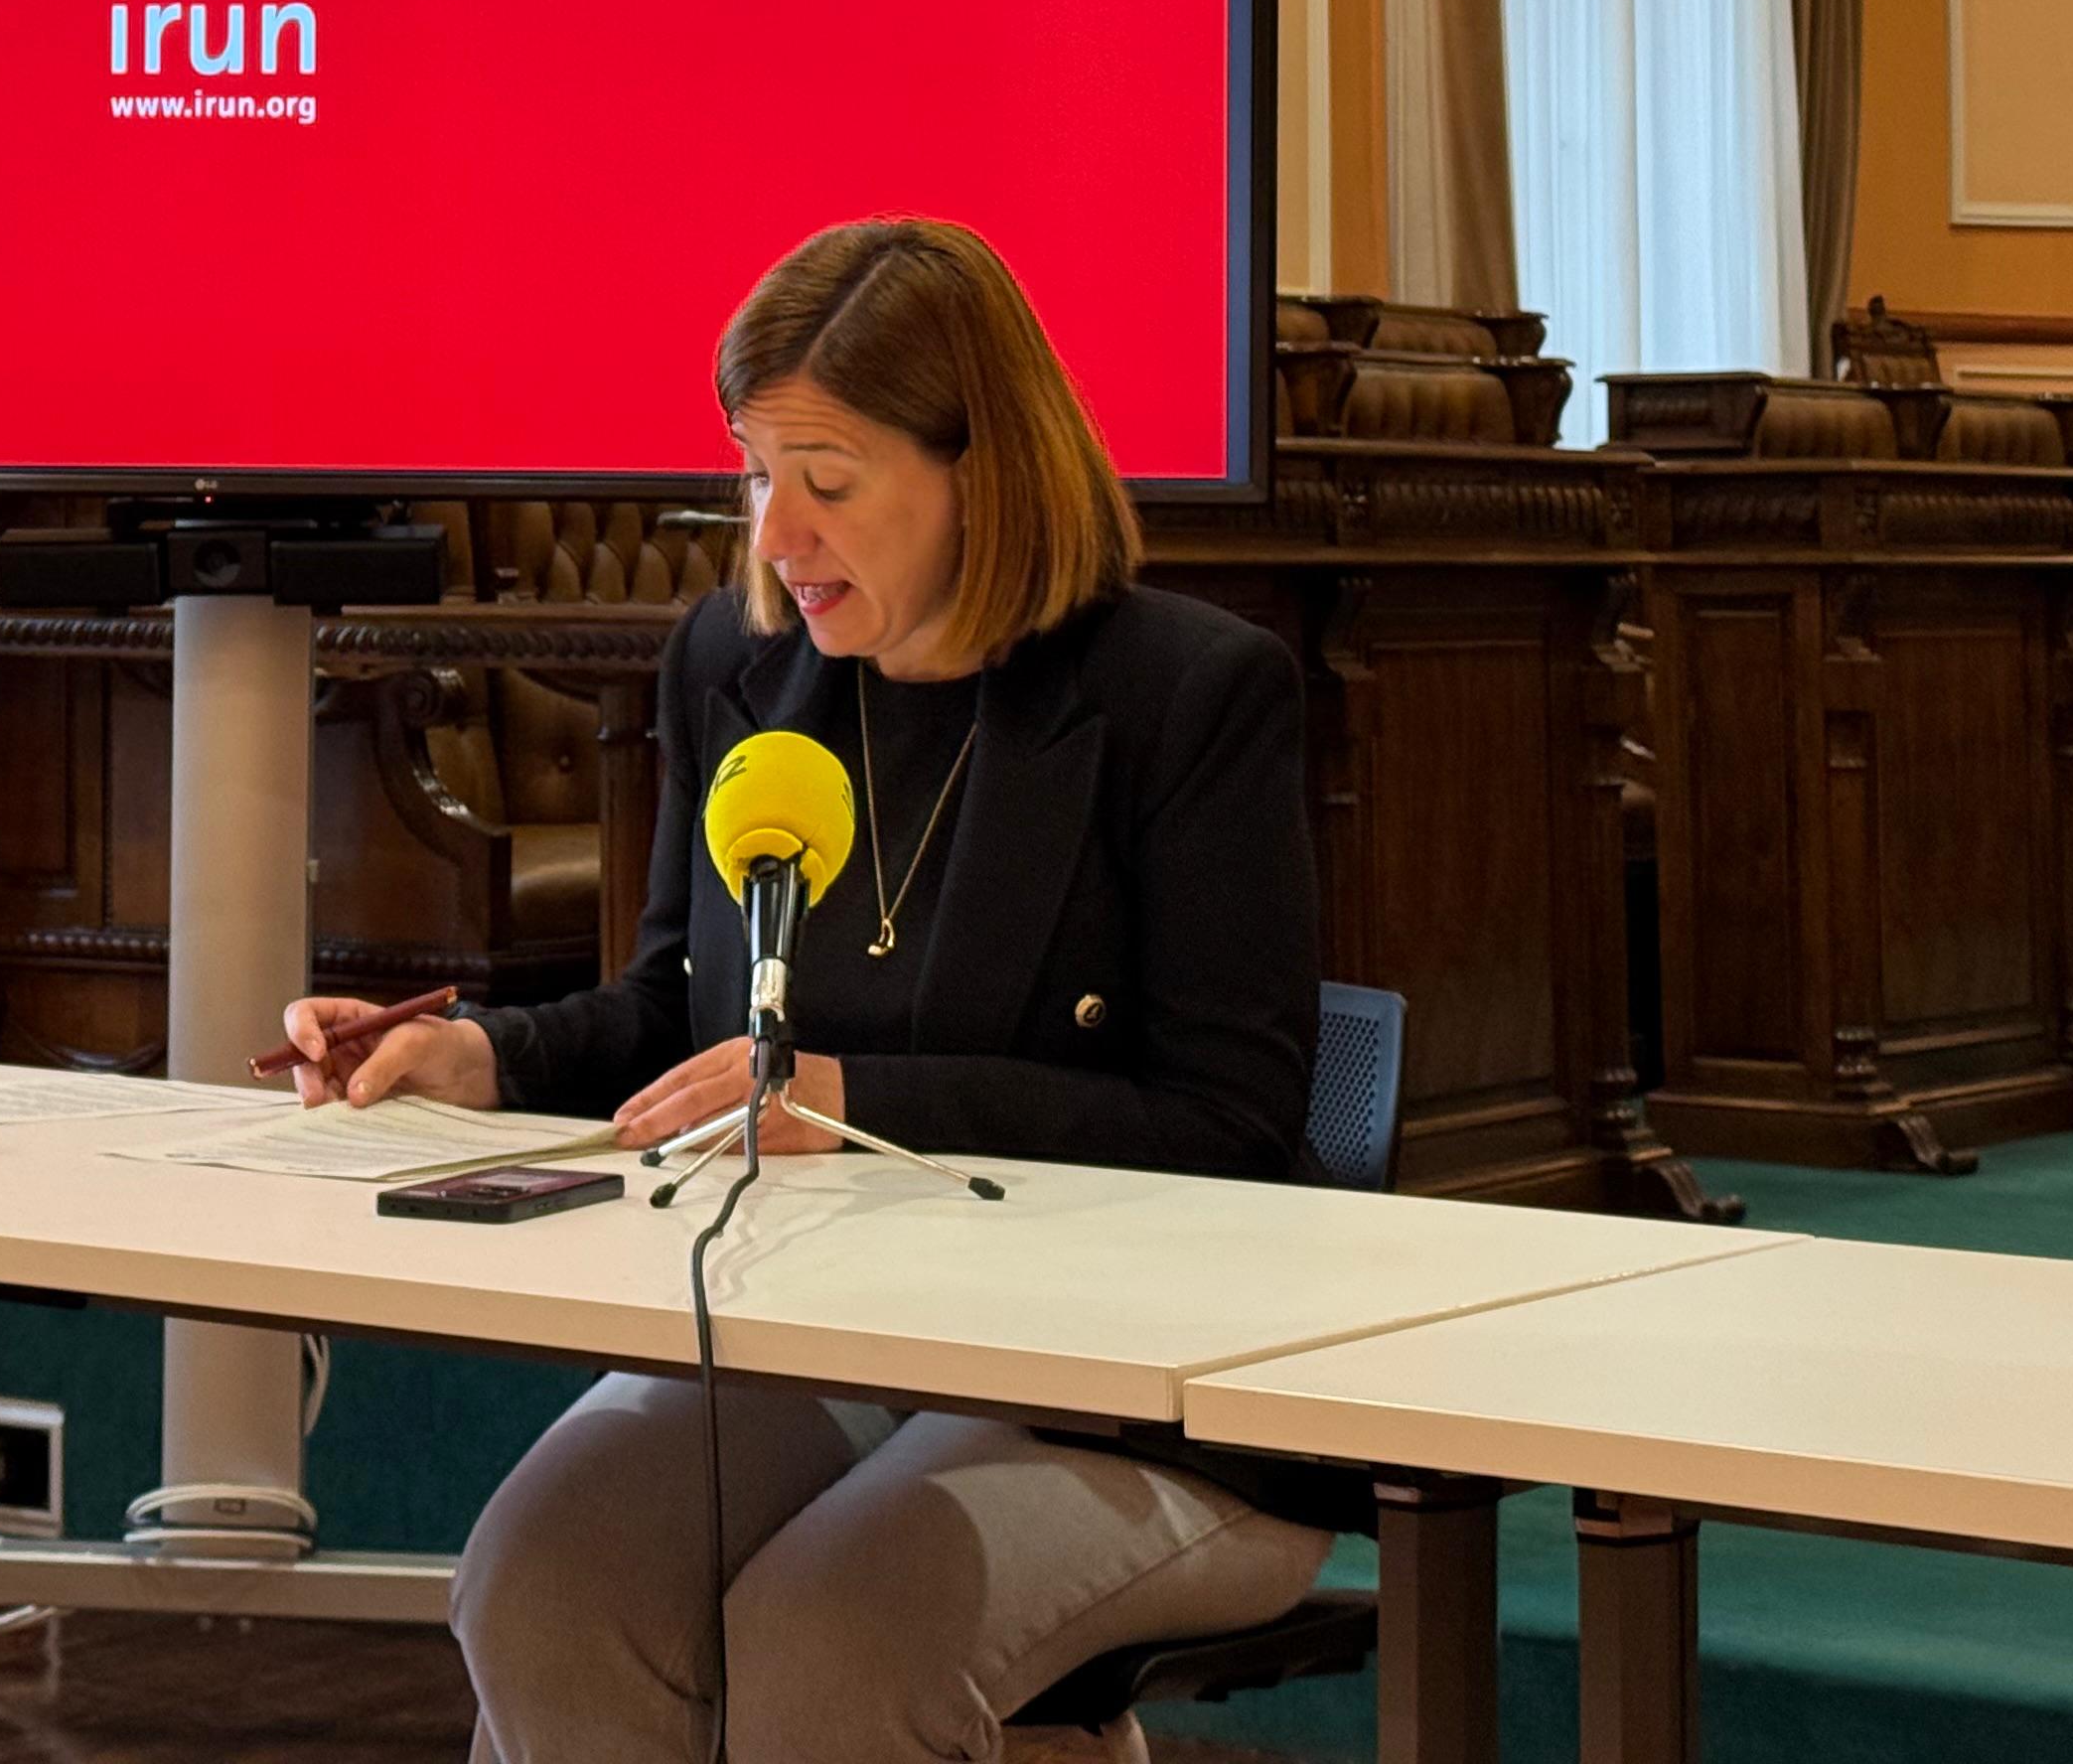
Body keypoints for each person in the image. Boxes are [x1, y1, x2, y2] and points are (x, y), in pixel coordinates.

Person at [278, 218, 1344, 1764]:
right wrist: (478, 1059)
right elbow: (679, 1013)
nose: (777, 536)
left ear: (984, 469)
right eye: (758, 475)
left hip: (1135, 1384)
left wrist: (861, 1109)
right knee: (541, 1590)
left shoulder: (1187, 695)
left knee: (837, 1643)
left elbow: (1234, 1125)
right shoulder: (736, 665)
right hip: (828, 1340)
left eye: (827, 484)